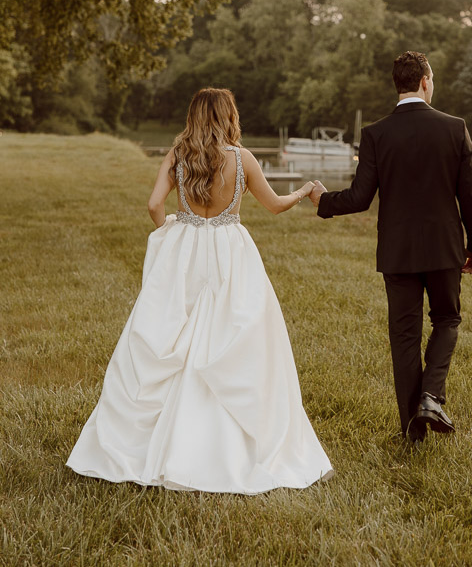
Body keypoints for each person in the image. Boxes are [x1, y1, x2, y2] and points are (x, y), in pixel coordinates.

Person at [67, 87, 332, 493]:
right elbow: (276, 205)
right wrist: (303, 191)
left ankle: (148, 440)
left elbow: (155, 205)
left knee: (172, 332)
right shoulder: (242, 159)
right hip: (230, 252)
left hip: (185, 249)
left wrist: (175, 233)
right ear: (228, 115)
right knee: (232, 334)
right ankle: (227, 440)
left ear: (193, 116)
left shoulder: (177, 155)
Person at [309, 51, 472, 444]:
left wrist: (323, 200)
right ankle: (431, 395)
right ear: (425, 81)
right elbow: (470, 197)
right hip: (444, 249)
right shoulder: (455, 128)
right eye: (433, 78)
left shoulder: (377, 133)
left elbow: (359, 197)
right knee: (446, 320)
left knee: (404, 336)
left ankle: (413, 431)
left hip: (398, 252)